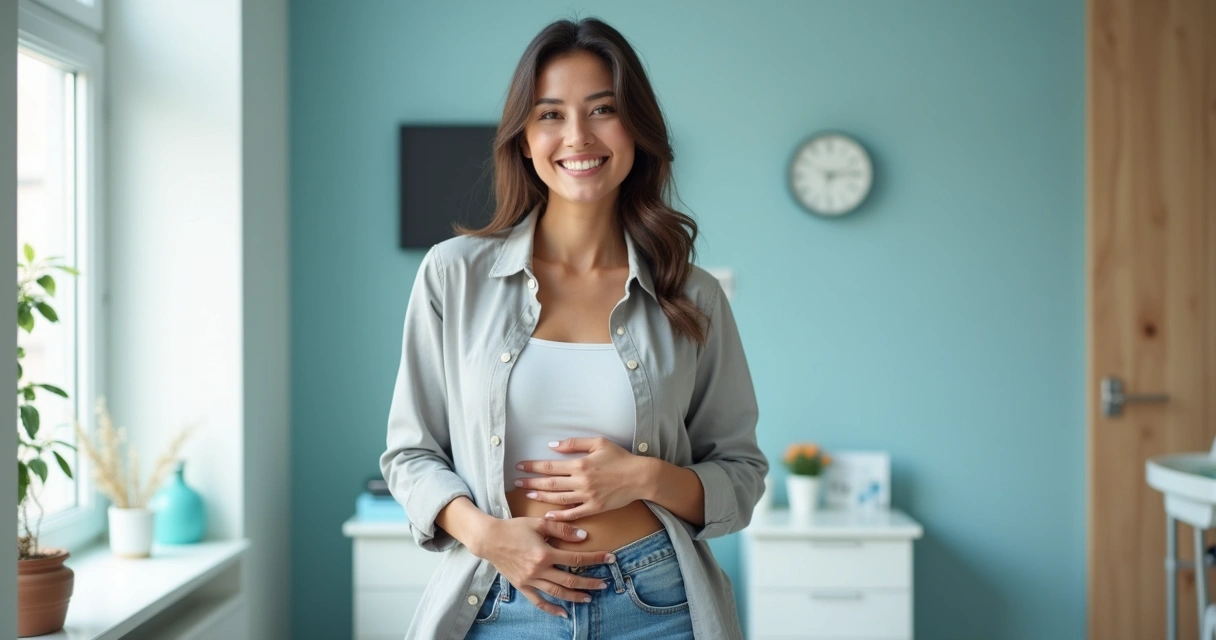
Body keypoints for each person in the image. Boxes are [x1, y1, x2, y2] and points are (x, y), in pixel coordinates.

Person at [380, 16, 766, 640]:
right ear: (524, 138)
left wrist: (647, 477)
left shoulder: (692, 295)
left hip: (658, 605)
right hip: (501, 601)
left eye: (602, 109)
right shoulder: (453, 275)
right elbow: (411, 452)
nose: (577, 136)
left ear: (637, 129)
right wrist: (489, 537)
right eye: (551, 114)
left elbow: (742, 474)